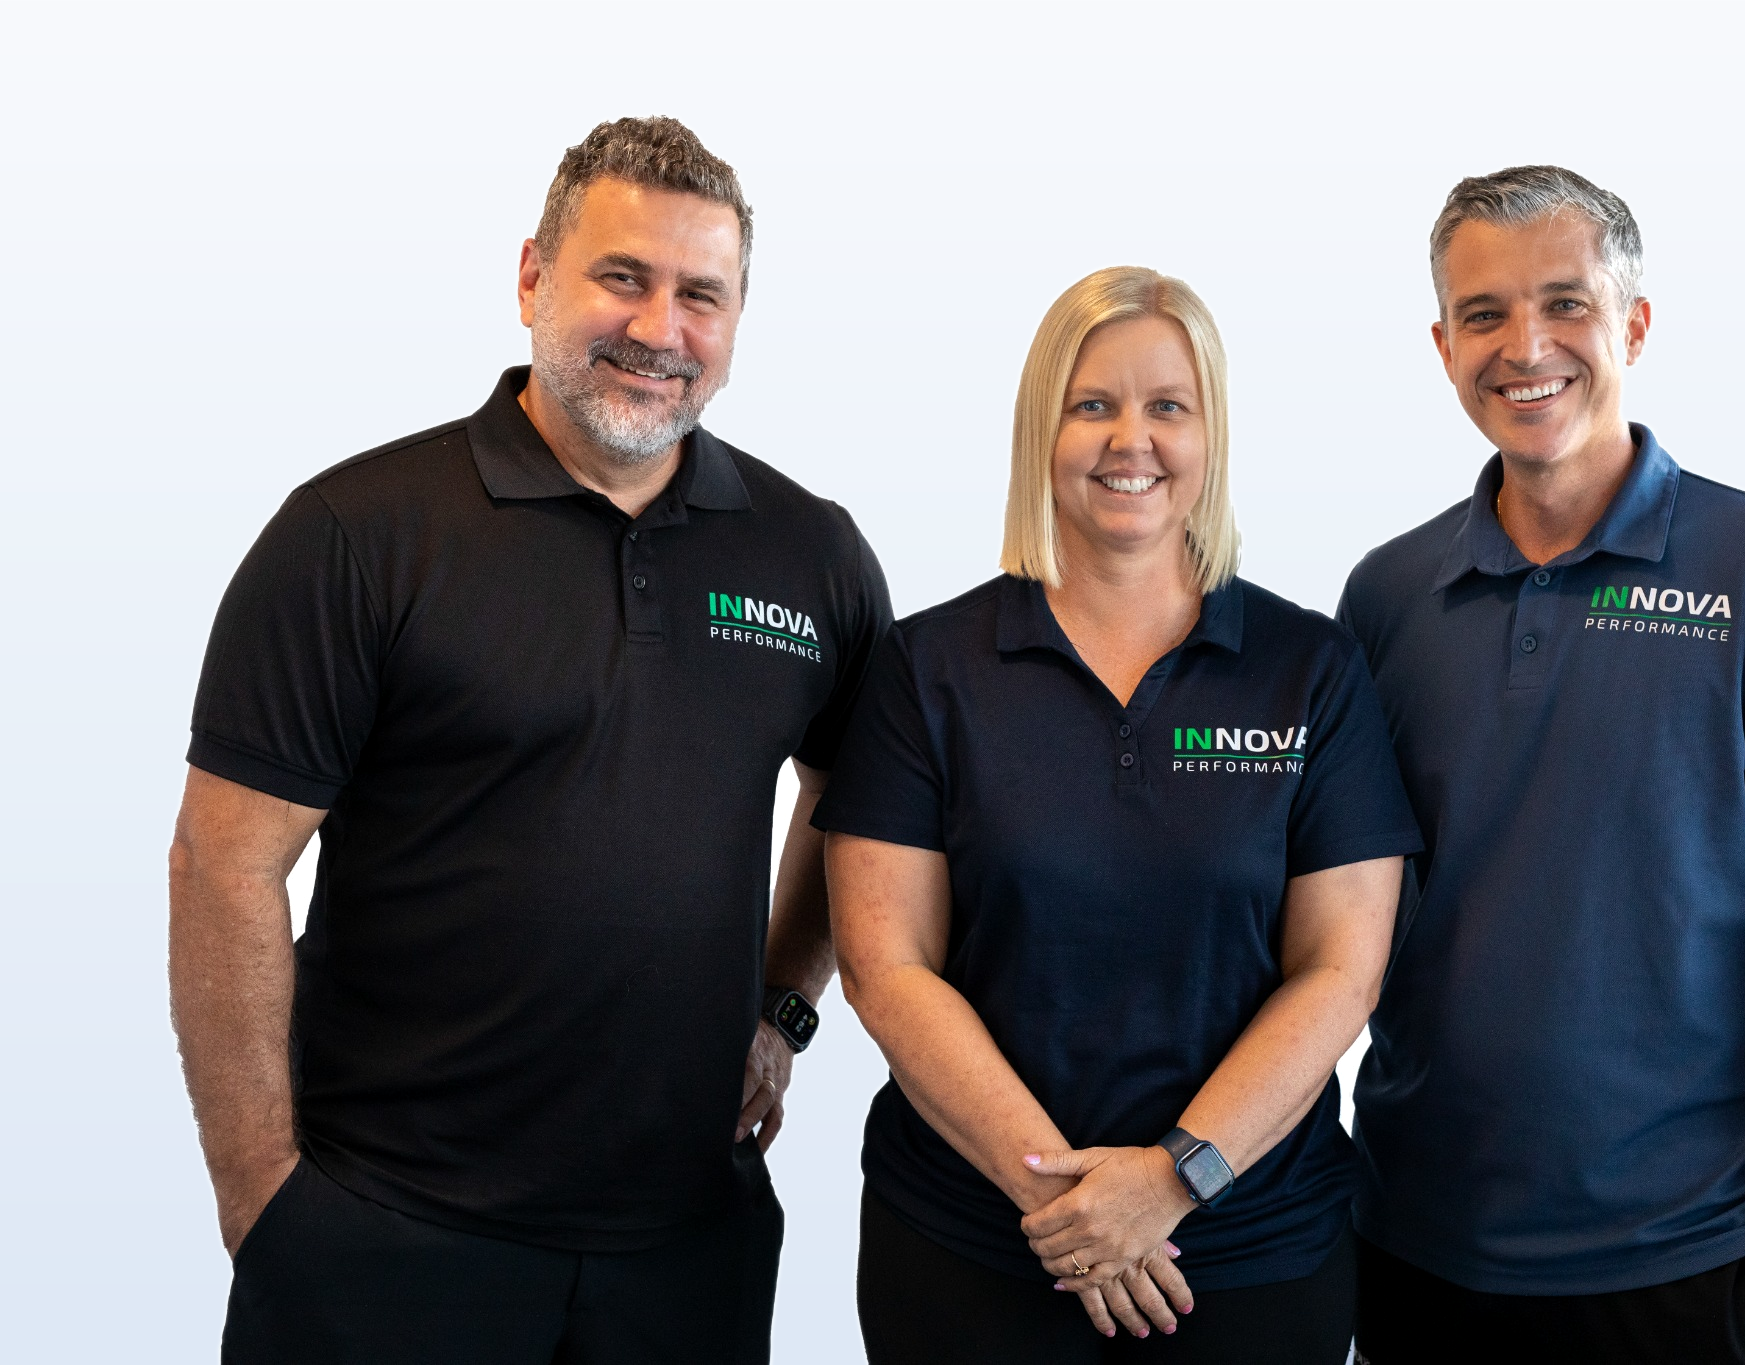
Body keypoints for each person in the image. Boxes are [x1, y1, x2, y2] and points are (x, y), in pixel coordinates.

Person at [167, 116, 891, 1364]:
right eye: (623, 277)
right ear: (531, 278)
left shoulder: (808, 552)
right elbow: (222, 863)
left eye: (700, 295)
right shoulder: (358, 534)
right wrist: (263, 1206)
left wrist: (782, 1010)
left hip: (687, 1245)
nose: (659, 329)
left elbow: (858, 800)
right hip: (386, 1228)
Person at [1338, 166, 1745, 1364]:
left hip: (1691, 1267)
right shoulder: (1386, 596)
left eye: (1564, 303)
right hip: (1415, 1253)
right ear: (1441, 347)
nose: (1524, 347)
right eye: (1484, 314)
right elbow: (1333, 922)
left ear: (1634, 326)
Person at [814, 266, 1420, 1364]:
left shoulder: (1311, 669)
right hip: (973, 1252)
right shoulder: (928, 667)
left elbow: (1341, 969)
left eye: (1166, 406)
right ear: (1041, 430)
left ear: (1209, 434)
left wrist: (1173, 1180)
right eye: (1090, 404)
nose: (1128, 439)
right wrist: (1070, 1206)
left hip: (1249, 1256)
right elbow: (886, 965)